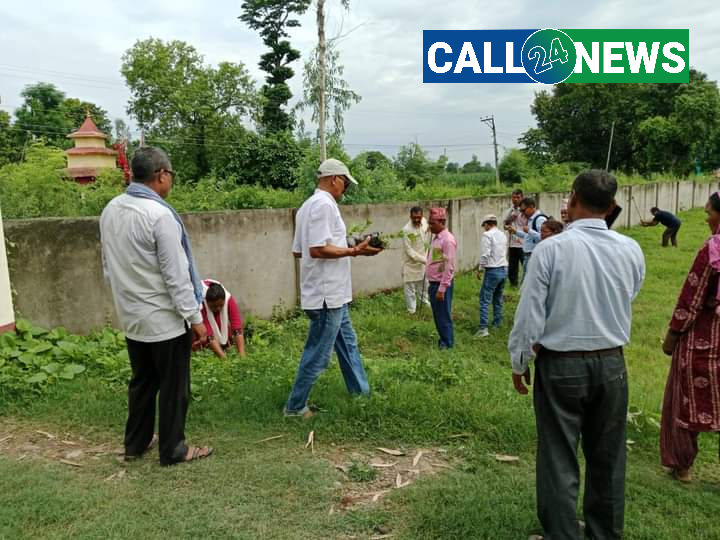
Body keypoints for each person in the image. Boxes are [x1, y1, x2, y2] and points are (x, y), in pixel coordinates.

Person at [508, 170, 645, 540]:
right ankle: (604, 533)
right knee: (609, 458)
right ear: (612, 206)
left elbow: (530, 313)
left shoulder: (552, 249)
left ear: (571, 200)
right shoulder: (630, 249)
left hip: (561, 365)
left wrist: (520, 361)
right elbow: (628, 294)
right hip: (612, 363)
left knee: (557, 454)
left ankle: (563, 534)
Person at [99, 147, 213, 466]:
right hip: (164, 320)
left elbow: (107, 266)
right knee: (175, 387)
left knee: (142, 383)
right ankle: (174, 449)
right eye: (171, 175)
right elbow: (176, 276)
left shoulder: (111, 209)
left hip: (133, 317)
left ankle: (135, 444)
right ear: (162, 174)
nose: (171, 181)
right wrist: (196, 319)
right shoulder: (159, 215)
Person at [285, 158, 381, 418]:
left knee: (348, 345)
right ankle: (294, 407)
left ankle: (361, 394)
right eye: (346, 183)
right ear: (335, 178)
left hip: (334, 295)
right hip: (327, 296)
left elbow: (299, 250)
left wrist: (350, 242)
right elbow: (316, 249)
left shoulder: (307, 206)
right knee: (318, 354)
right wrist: (354, 251)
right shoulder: (324, 205)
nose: (346, 189)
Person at [660, 191, 720, 483]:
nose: (707, 217)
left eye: (709, 212)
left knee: (686, 401)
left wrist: (672, 336)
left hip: (705, 342)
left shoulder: (713, 248)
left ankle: (682, 466)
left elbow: (692, 298)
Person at [426, 207, 457, 349]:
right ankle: (443, 339)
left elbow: (449, 266)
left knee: (443, 316)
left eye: (432, 223)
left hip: (440, 285)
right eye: (429, 223)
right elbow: (440, 262)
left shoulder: (447, 240)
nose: (430, 226)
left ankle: (447, 344)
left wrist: (442, 288)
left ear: (442, 222)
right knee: (438, 315)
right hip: (434, 283)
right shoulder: (437, 238)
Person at [475, 214, 507, 338]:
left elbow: (485, 254)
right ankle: (497, 323)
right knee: (497, 298)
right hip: (503, 269)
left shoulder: (487, 235)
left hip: (492, 270)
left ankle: (483, 328)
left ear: (487, 224)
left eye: (484, 226)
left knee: (484, 299)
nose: (484, 228)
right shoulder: (503, 235)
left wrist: (480, 269)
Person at [201, 279, 245, 359]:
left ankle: (223, 346)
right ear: (207, 303)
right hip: (200, 321)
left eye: (221, 305)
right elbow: (209, 334)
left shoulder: (229, 299)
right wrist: (223, 358)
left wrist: (242, 356)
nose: (218, 308)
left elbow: (237, 329)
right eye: (213, 306)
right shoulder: (201, 304)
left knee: (223, 326)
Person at [401, 207, 431, 314]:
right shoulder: (406, 230)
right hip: (410, 263)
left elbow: (427, 234)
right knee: (410, 288)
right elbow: (409, 250)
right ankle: (411, 311)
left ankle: (425, 304)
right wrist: (425, 260)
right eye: (414, 218)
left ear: (422, 216)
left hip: (424, 260)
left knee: (424, 285)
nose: (417, 220)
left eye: (419, 217)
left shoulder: (424, 222)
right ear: (410, 217)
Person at [510, 198, 547, 271]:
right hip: (528, 256)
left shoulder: (540, 219)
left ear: (531, 207)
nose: (522, 213)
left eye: (523, 210)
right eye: (521, 211)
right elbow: (528, 236)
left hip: (534, 255)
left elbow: (544, 237)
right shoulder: (531, 219)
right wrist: (515, 232)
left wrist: (529, 230)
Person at [503, 189, 527, 287]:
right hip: (512, 243)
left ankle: (525, 285)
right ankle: (513, 285)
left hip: (523, 243)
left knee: (526, 265)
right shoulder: (510, 211)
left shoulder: (526, 211)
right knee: (512, 266)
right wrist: (510, 220)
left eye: (518, 197)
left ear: (522, 197)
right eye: (514, 197)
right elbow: (504, 225)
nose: (515, 199)